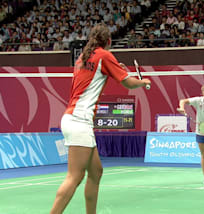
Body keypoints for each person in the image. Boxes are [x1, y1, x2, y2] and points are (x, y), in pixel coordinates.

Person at [50, 24, 151, 214]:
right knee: (74, 177)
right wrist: (143, 82)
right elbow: (127, 82)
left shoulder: (83, 57)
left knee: (96, 172)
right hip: (79, 121)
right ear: (109, 42)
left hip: (72, 118)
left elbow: (98, 74)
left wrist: (116, 68)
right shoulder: (104, 55)